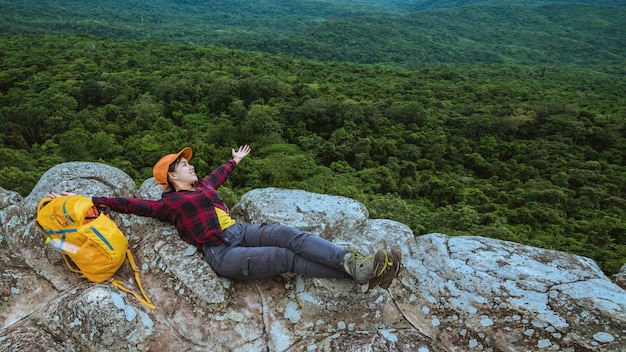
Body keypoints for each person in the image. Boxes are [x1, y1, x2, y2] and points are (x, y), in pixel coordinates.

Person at [50, 145, 401, 290]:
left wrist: (235, 160)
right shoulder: (168, 204)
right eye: (185, 165)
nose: (193, 166)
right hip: (222, 253)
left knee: (289, 234)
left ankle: (355, 265)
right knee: (284, 258)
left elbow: (219, 174)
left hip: (241, 232)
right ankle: (359, 275)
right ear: (172, 176)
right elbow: (126, 202)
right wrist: (82, 199)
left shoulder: (203, 186)